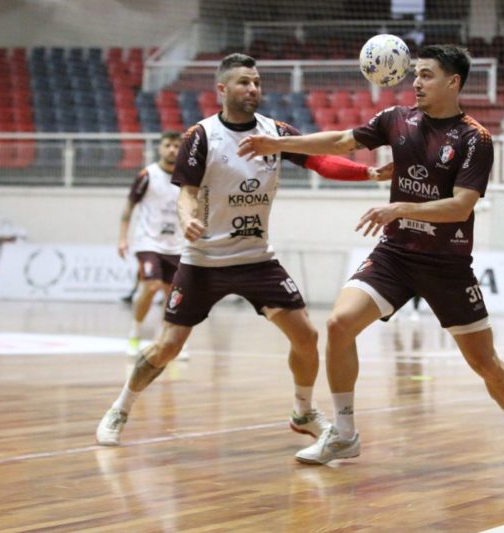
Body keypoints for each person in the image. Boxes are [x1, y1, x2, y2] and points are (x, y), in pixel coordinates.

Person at [238, 44, 504, 465]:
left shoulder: (475, 139)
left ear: (453, 82)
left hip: (446, 264)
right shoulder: (397, 119)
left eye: (427, 75)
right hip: (396, 254)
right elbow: (341, 141)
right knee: (339, 324)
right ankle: (343, 433)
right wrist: (280, 143)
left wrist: (400, 207)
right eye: (415, 74)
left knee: (485, 362)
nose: (416, 81)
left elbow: (461, 206)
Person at [96, 53, 391, 446]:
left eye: (256, 82)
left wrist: (368, 172)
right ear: (222, 89)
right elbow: (184, 194)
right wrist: (187, 220)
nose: (253, 89)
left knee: (305, 335)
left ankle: (303, 412)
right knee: (168, 346)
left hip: (256, 259)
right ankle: (121, 407)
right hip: (204, 261)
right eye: (243, 82)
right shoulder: (200, 136)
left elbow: (321, 161)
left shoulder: (275, 131)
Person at [118, 131, 184, 356]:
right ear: (160, 148)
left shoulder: (186, 178)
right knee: (151, 285)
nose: (172, 149)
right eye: (168, 145)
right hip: (148, 242)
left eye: (177, 146)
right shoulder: (147, 175)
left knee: (173, 295)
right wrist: (123, 238)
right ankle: (135, 333)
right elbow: (129, 206)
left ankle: (166, 340)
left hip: (175, 245)